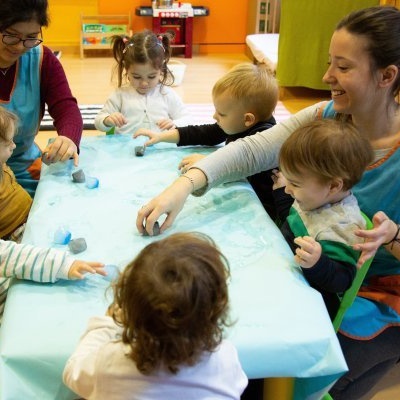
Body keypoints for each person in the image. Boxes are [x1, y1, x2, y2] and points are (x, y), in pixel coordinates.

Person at [136, 6, 400, 399]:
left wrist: (394, 238)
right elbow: (253, 150)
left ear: (387, 76)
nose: (327, 77)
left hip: (372, 295)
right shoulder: (328, 115)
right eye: (330, 63)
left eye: (343, 67)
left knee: (295, 378)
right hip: (307, 273)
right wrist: (185, 185)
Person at [63, 232, 248, 400]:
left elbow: (73, 371)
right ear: (215, 310)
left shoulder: (111, 364)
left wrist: (107, 323)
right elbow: (237, 385)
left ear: (127, 313)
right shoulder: (223, 358)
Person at [134, 62, 279, 216]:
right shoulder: (238, 124)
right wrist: (161, 136)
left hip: (263, 209)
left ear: (248, 119)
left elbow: (242, 169)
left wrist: (207, 162)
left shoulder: (264, 140)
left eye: (221, 114)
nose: (214, 116)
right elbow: (204, 133)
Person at [271, 119, 374, 319]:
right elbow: (293, 219)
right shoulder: (314, 197)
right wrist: (283, 195)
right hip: (286, 269)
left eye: (295, 183)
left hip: (311, 304)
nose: (288, 188)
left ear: (334, 186)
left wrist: (318, 263)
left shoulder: (342, 227)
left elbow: (342, 280)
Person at [0, 0, 82, 197]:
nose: (20, 47)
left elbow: (66, 108)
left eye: (31, 37)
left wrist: (68, 138)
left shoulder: (41, 59)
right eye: (11, 36)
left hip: (25, 168)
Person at [94, 30, 190, 136]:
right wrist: (107, 120)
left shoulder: (166, 94)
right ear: (127, 70)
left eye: (151, 76)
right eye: (137, 77)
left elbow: (187, 118)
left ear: (161, 70)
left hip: (160, 147)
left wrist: (174, 124)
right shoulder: (120, 95)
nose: (144, 83)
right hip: (125, 148)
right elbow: (98, 121)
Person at [0, 107, 32, 242]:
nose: (14, 146)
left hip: (28, 216)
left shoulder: (2, 162)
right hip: (14, 234)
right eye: (8, 144)